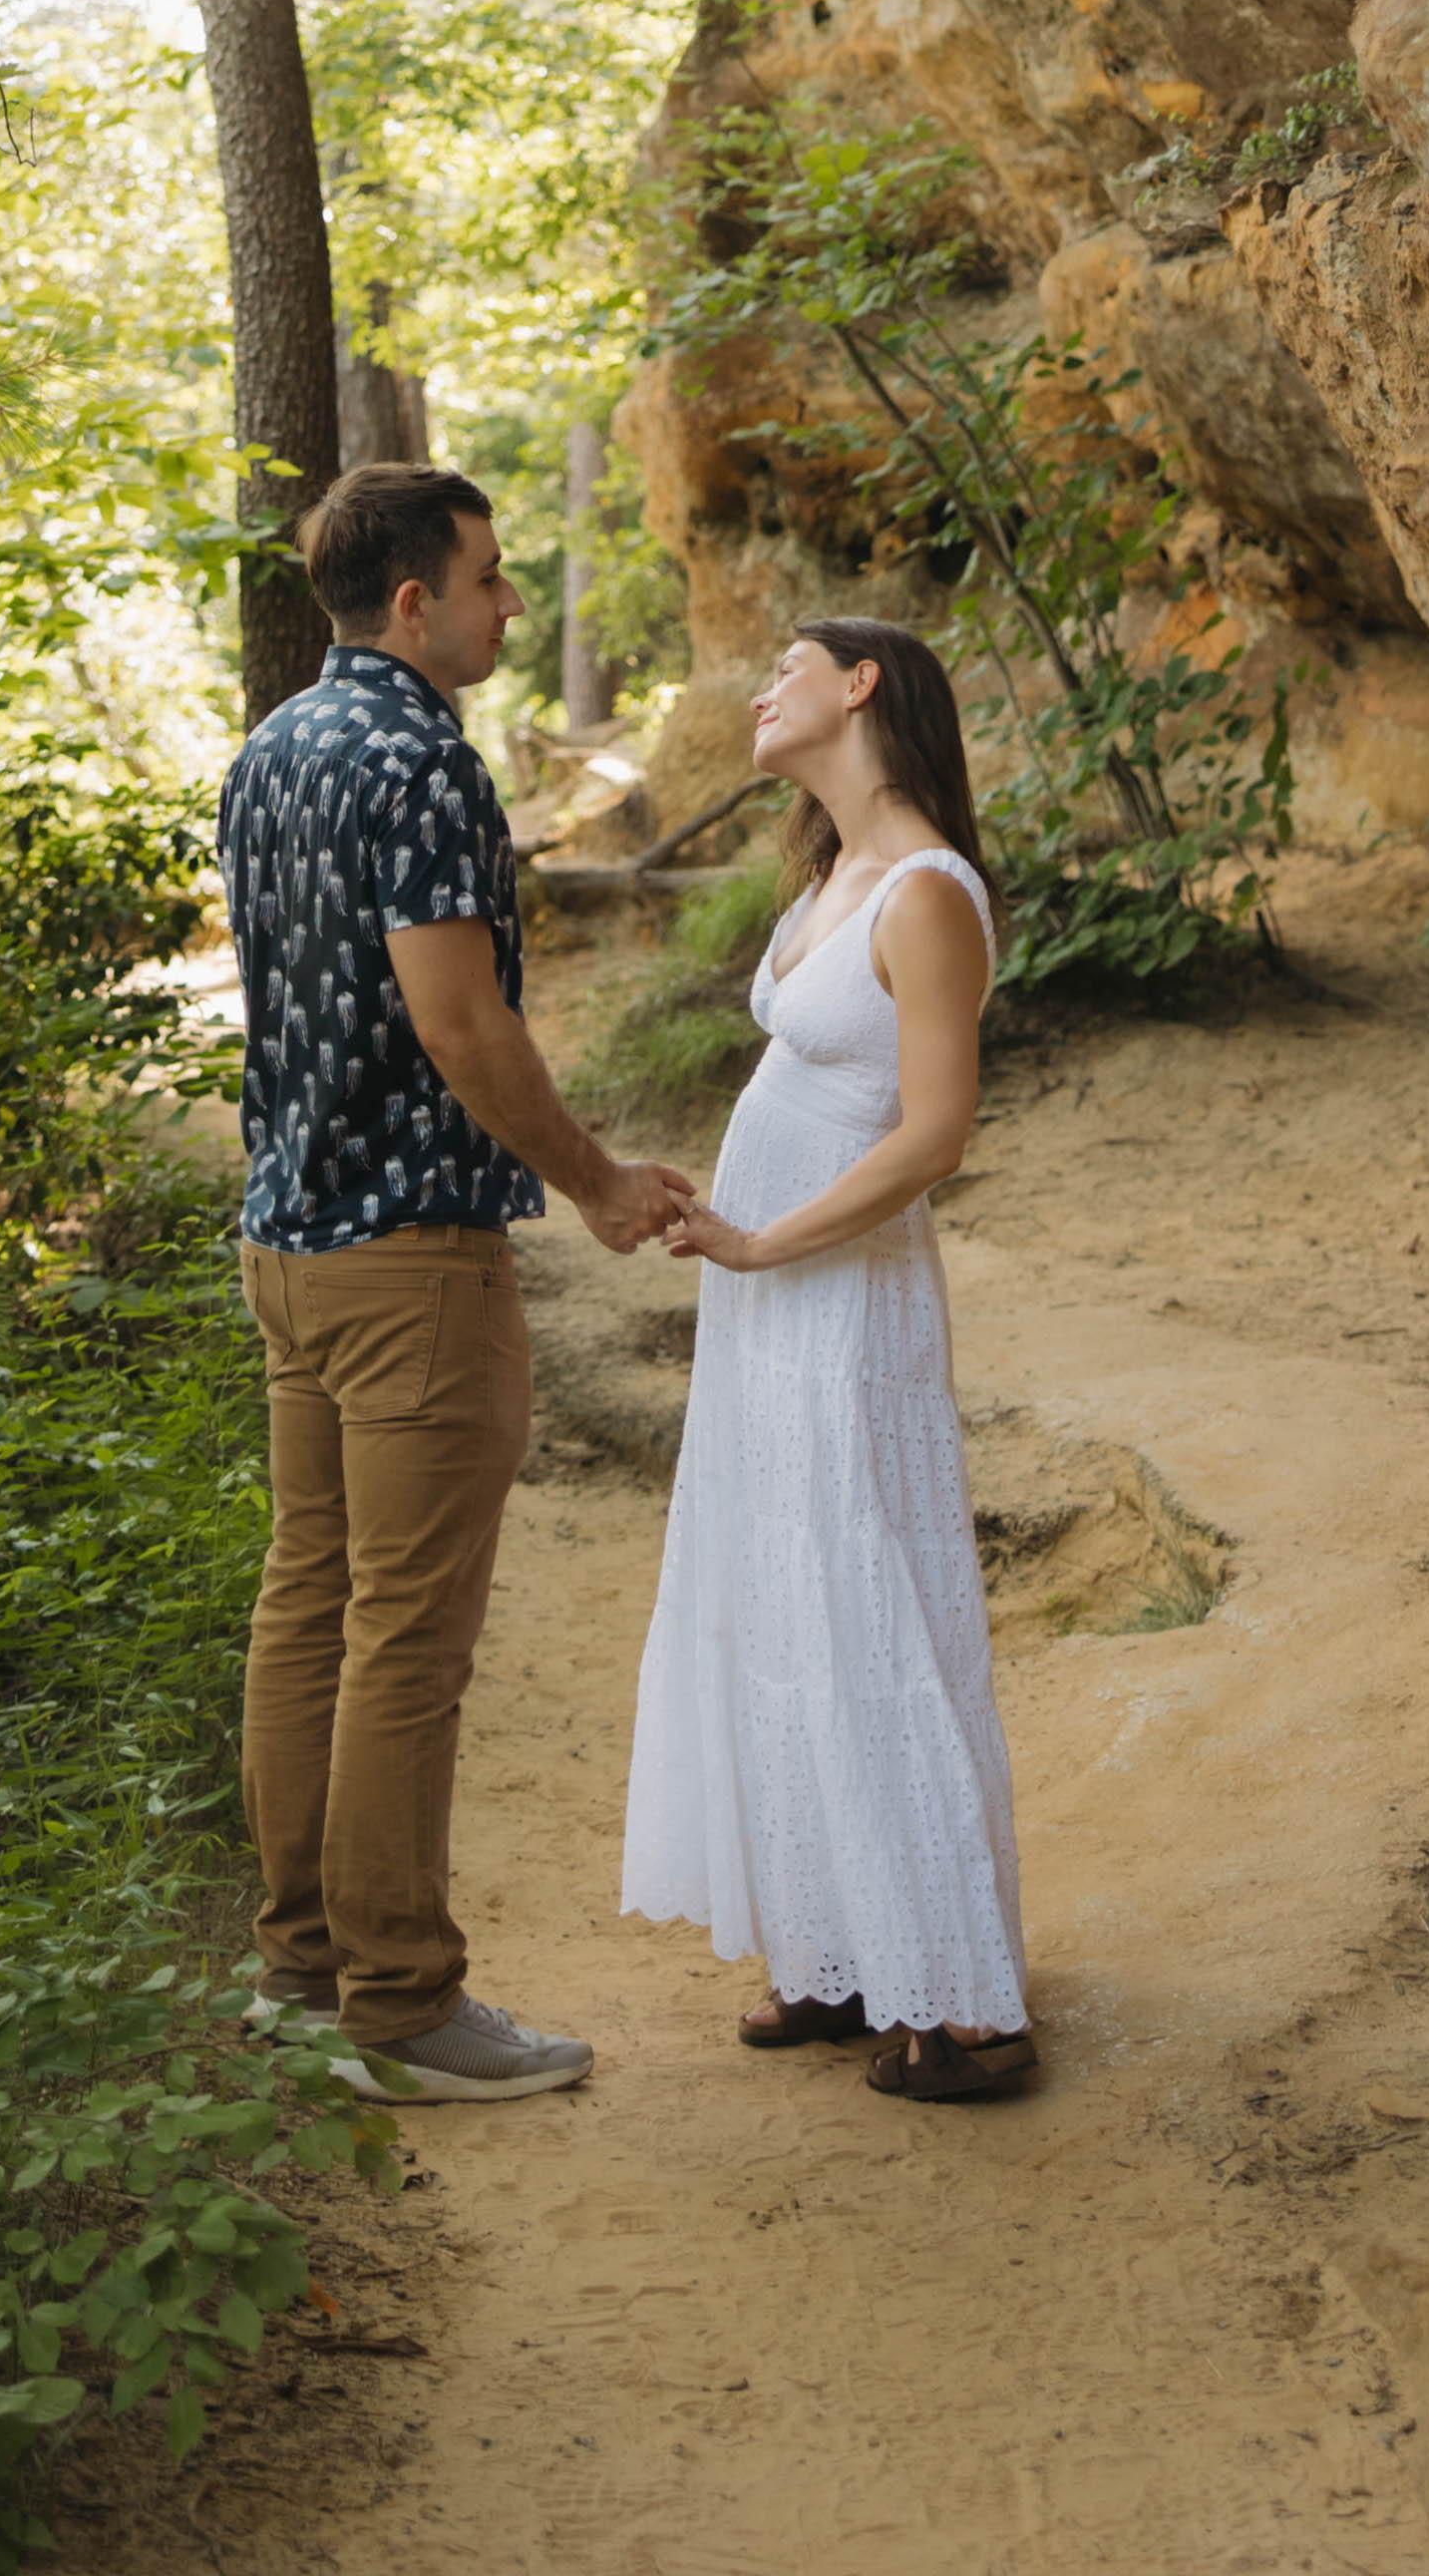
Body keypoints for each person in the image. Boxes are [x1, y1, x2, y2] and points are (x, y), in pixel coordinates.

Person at [221, 460, 694, 2106]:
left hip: (285, 1251)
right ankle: (405, 2007)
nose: (509, 609)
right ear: (412, 600)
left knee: (310, 1609)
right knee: (405, 1642)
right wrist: (603, 1186)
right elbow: (461, 1024)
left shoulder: (273, 748)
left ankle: (297, 1973)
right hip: (411, 1258)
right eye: (491, 582)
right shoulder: (420, 759)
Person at [616, 615, 1038, 2101]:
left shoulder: (928, 892)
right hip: (769, 1292)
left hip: (840, 1301)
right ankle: (845, 1950)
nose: (757, 687)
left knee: (862, 1607)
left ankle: (967, 2000)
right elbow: (808, 1073)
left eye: (783, 666)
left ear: (860, 687)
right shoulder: (828, 874)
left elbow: (934, 1133)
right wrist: (717, 1208)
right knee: (780, 1596)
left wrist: (767, 1240)